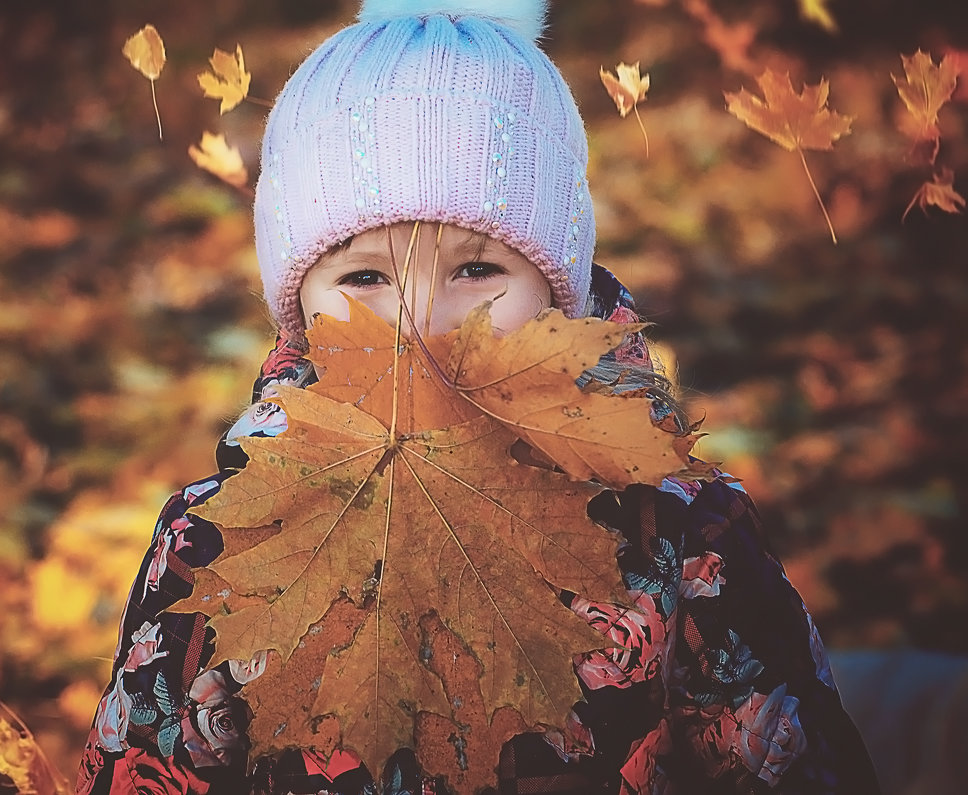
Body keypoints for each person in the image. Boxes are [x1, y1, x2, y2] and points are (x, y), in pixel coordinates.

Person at [76, 2, 881, 792]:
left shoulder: (675, 528)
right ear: (300, 311)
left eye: (476, 269)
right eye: (363, 278)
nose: (420, 324)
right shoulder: (217, 538)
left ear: (557, 295)